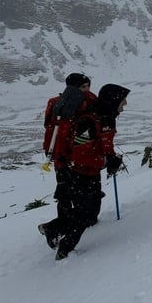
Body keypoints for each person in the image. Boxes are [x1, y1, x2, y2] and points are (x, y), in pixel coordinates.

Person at [46, 83, 129, 260]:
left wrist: (111, 157)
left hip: (91, 172)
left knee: (89, 211)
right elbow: (80, 154)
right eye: (123, 100)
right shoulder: (89, 121)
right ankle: (64, 249)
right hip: (78, 173)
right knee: (83, 214)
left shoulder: (107, 117)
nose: (125, 104)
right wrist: (106, 161)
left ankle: (55, 230)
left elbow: (105, 143)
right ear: (113, 101)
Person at [38, 73, 96, 248]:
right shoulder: (63, 104)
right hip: (66, 157)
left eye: (88, 86)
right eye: (83, 87)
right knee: (68, 195)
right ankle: (57, 228)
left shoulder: (82, 101)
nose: (87, 90)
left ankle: (60, 227)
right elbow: (55, 130)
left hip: (70, 156)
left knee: (69, 194)